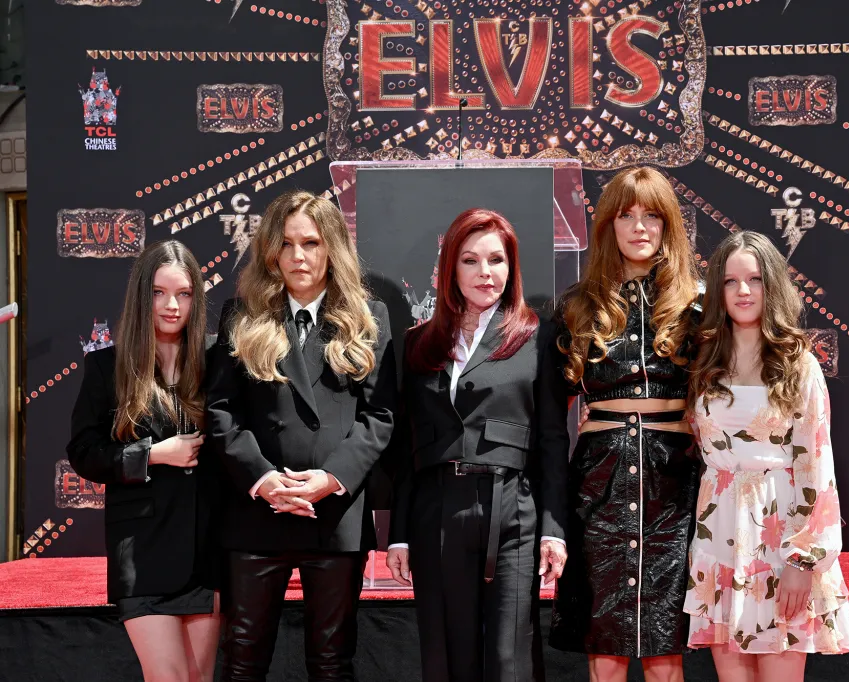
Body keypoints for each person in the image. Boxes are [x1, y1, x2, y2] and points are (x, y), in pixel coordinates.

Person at [206, 189, 397, 681]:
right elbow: (222, 412)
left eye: (310, 243)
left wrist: (330, 478)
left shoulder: (369, 320)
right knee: (242, 657)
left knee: (332, 660)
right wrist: (264, 480)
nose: (298, 256)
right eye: (286, 244)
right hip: (256, 513)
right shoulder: (241, 316)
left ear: (331, 247)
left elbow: (380, 417)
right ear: (271, 250)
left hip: (333, 515)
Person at [385, 208, 570, 682]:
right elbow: (405, 446)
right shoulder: (417, 344)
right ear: (450, 268)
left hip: (513, 510)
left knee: (510, 658)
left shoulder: (538, 336)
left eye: (496, 260)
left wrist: (553, 527)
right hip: (436, 512)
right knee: (447, 657)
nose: (485, 273)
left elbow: (552, 440)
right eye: (470, 260)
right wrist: (400, 533)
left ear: (511, 268)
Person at [549, 167, 703, 682]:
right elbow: (547, 417)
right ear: (607, 226)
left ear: (669, 226)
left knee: (665, 650)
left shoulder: (698, 309)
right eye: (626, 215)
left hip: (675, 483)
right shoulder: (577, 309)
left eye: (652, 216)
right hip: (600, 482)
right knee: (606, 647)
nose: (639, 227)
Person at [685, 231, 849, 681]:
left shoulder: (799, 365)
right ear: (717, 289)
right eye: (731, 281)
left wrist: (804, 562)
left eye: (756, 279)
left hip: (781, 540)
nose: (743, 291)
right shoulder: (704, 361)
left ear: (773, 285)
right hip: (719, 533)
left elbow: (817, 468)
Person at [67, 240, 221, 682]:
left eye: (184, 293)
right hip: (142, 552)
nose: (172, 305)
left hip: (207, 552)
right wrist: (153, 455)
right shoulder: (106, 367)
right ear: (141, 296)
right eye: (159, 292)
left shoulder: (216, 363)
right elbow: (83, 452)